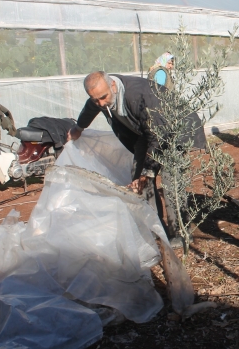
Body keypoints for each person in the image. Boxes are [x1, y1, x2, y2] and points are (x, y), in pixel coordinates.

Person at [67, 71, 177, 237]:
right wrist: (78, 128)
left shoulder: (140, 96)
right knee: (138, 178)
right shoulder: (99, 99)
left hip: (171, 134)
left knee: (171, 181)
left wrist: (148, 172)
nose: (101, 103)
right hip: (145, 134)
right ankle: (156, 228)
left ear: (112, 85)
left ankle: (179, 233)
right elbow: (90, 109)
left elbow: (159, 136)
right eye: (95, 99)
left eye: (103, 97)